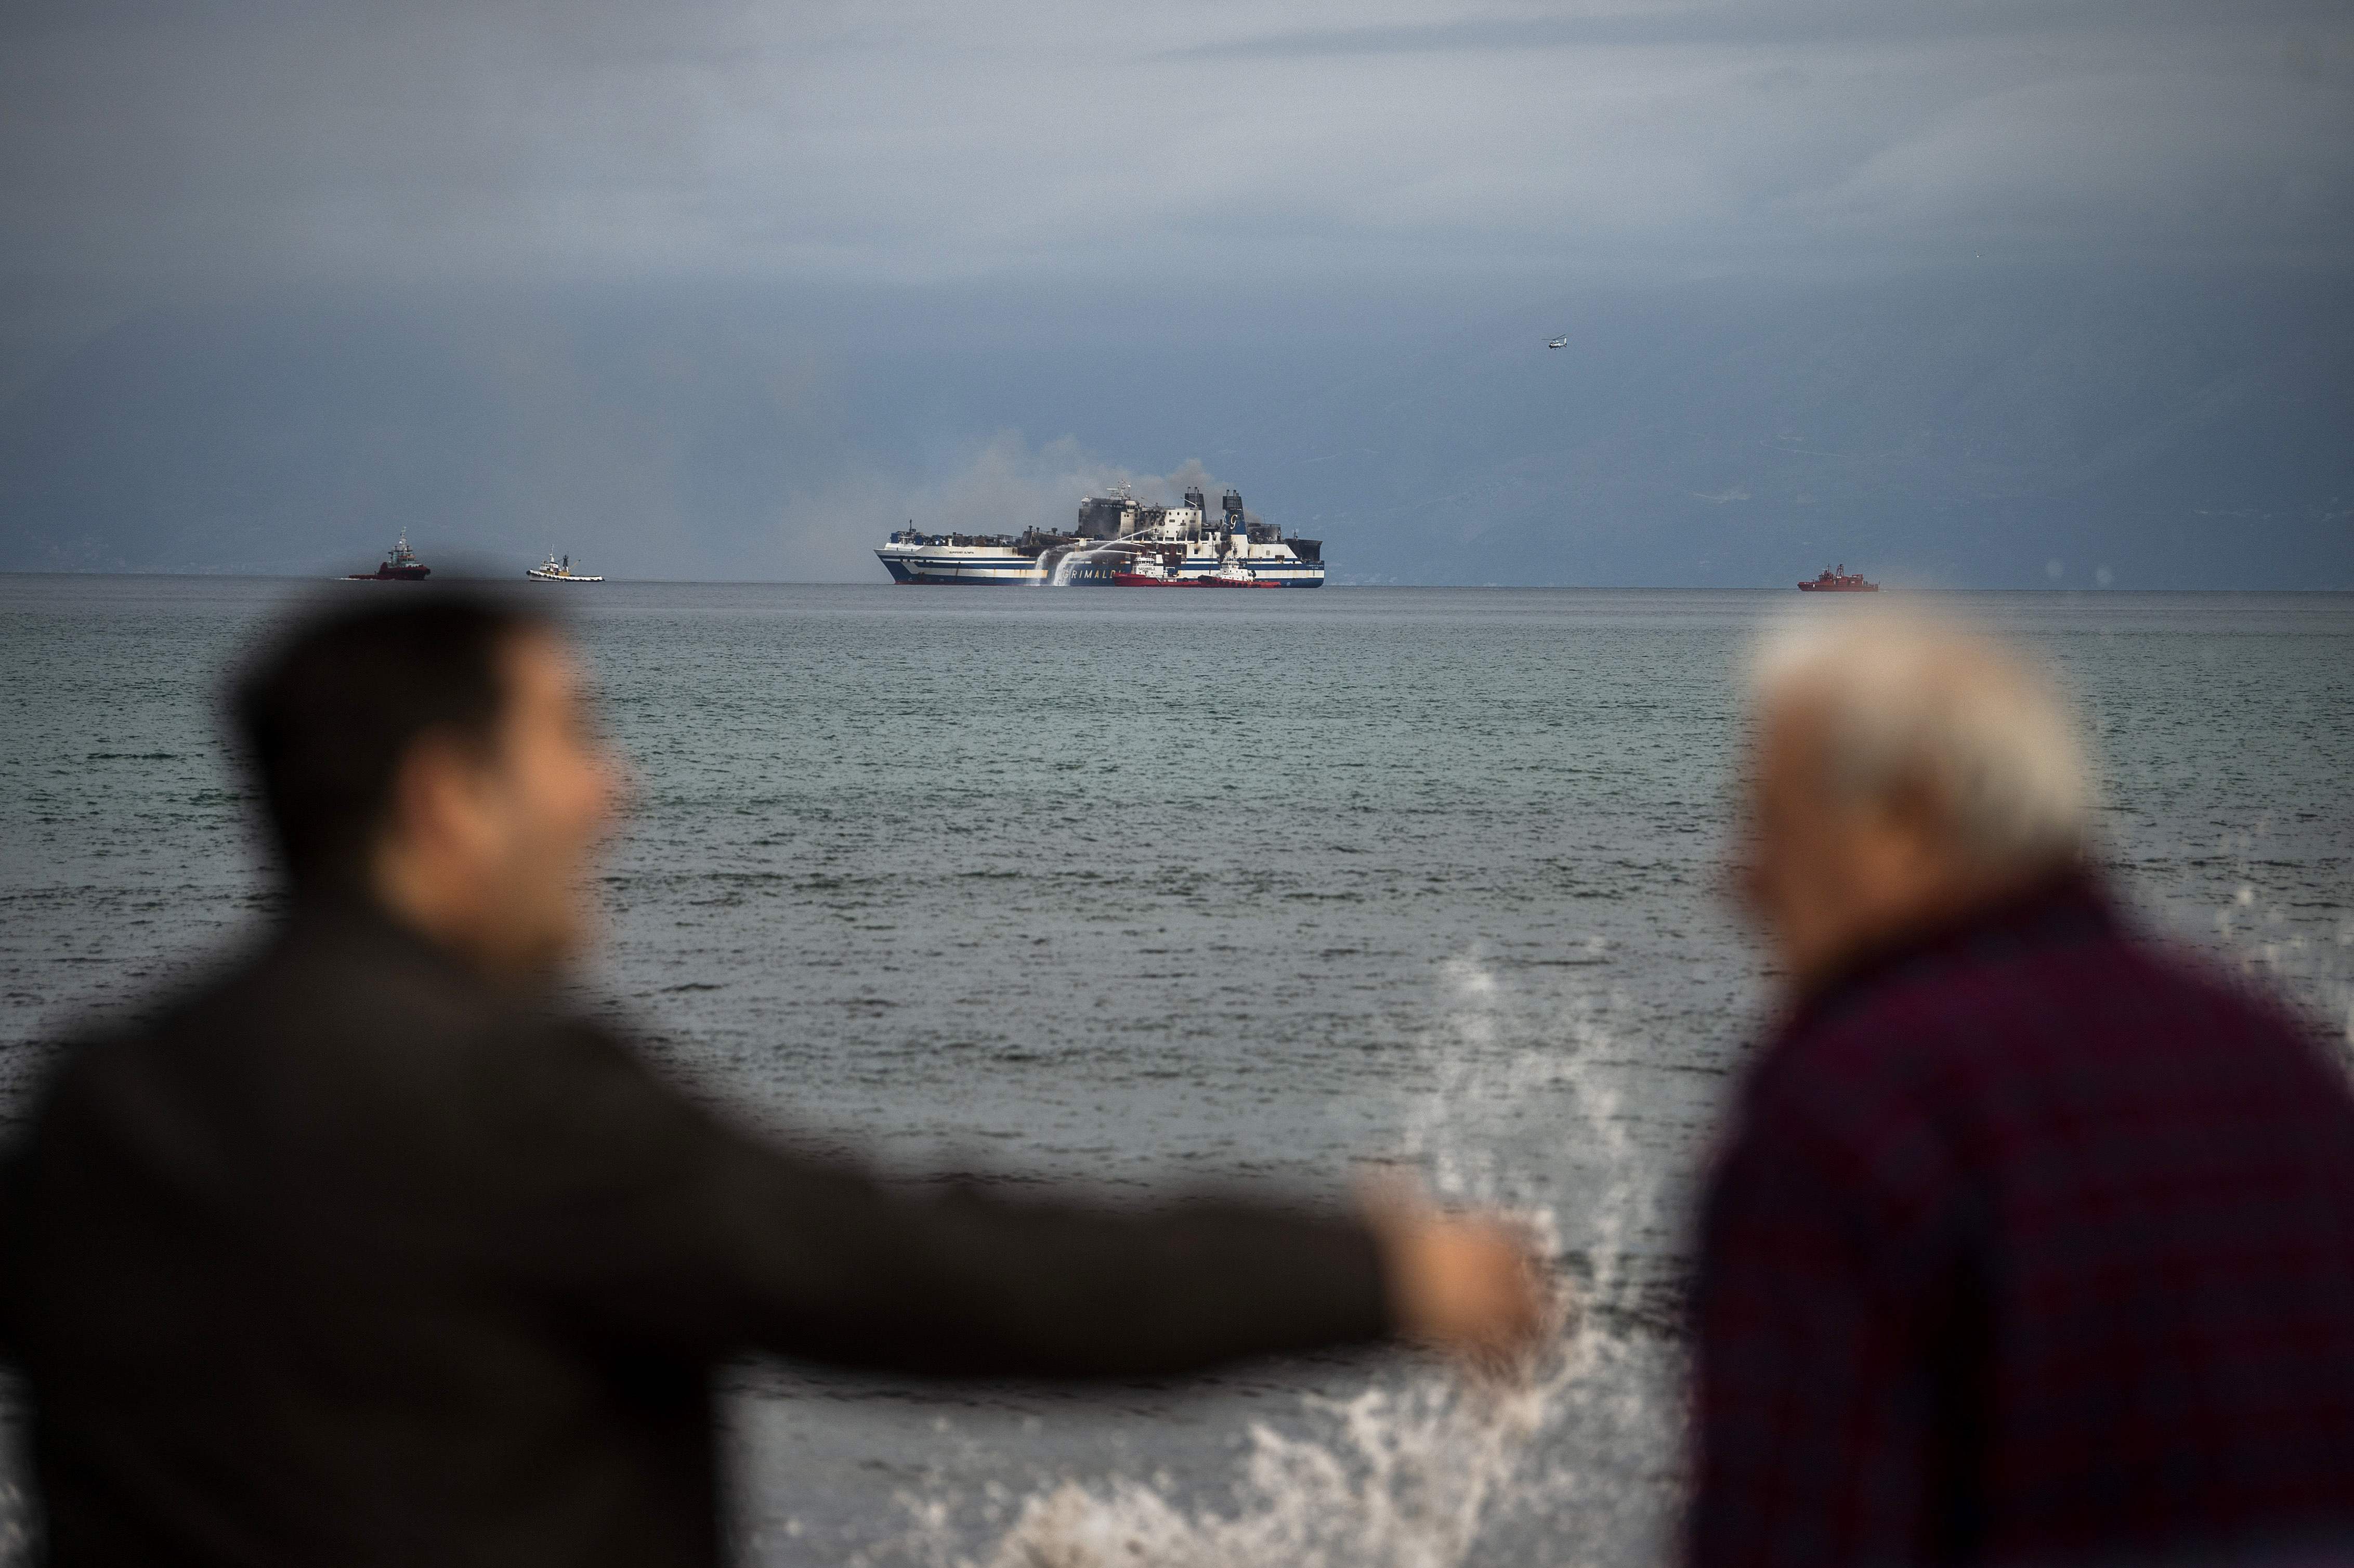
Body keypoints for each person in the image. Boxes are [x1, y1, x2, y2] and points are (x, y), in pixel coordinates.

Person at [0, 593, 1543, 1567]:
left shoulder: (91, 1111)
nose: (621, 789)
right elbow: (931, 1272)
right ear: (447, 799)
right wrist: (1372, 1272)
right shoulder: (513, 1105)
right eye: (573, 737)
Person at [1690, 610, 2354, 1568]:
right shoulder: (2277, 1064)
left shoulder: (1854, 1107)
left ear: (1911, 817)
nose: (1737, 879)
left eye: (1770, 822)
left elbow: (1789, 1533)